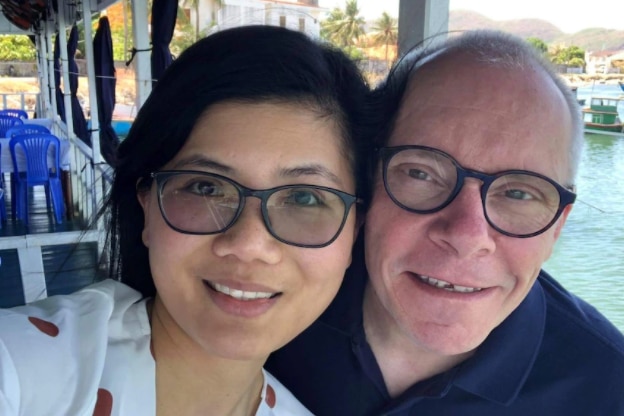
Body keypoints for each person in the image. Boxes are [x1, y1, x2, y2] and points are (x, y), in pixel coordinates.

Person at [0, 25, 371, 415]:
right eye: (205, 188)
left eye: (303, 197)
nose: (248, 244)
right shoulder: (23, 369)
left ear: (354, 233)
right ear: (145, 205)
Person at [266, 29, 624, 415]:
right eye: (421, 173)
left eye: (519, 193)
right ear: (368, 182)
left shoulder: (607, 388)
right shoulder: (272, 304)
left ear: (557, 227)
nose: (466, 236)